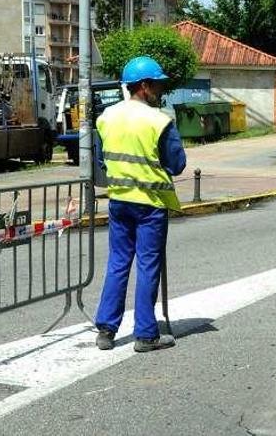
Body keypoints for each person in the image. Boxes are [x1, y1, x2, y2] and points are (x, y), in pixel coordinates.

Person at [94, 56, 186, 353]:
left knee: (118, 263)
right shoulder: (159, 121)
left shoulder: (106, 117)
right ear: (144, 86)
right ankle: (146, 335)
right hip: (149, 205)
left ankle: (106, 330)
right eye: (157, 84)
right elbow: (177, 164)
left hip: (119, 201)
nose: (160, 90)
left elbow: (101, 161)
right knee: (148, 265)